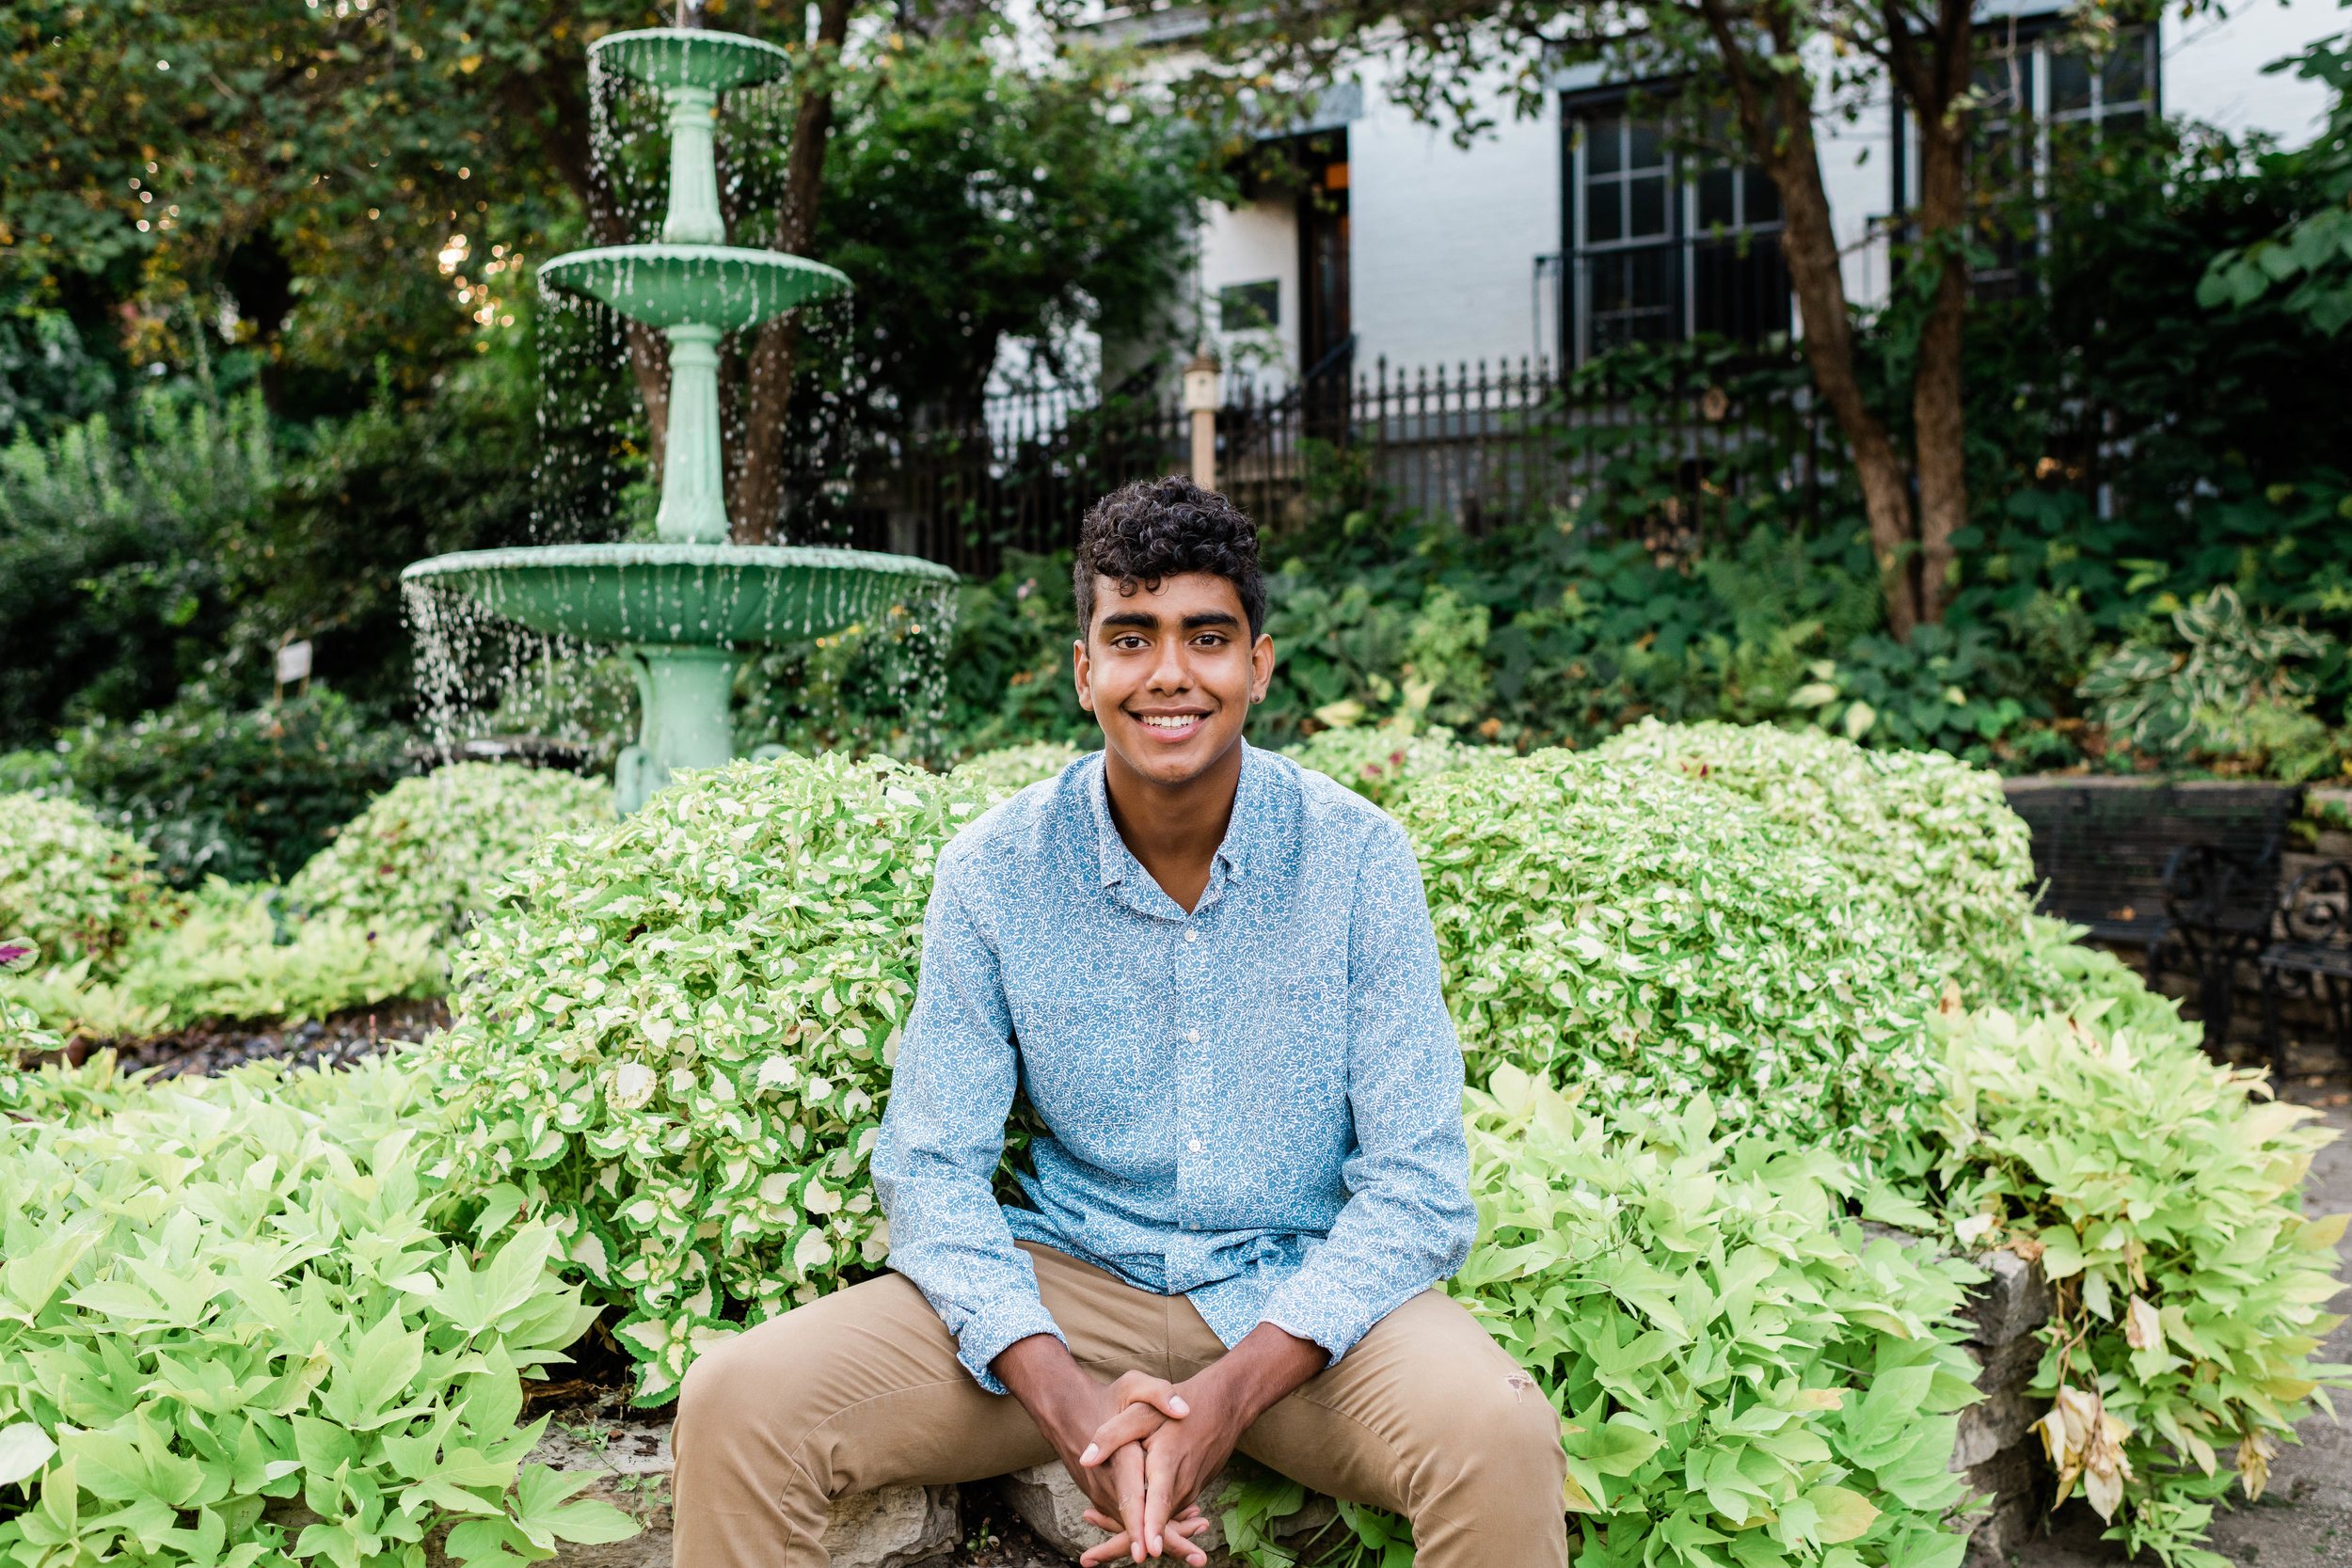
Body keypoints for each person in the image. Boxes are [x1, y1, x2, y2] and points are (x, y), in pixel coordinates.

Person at [672, 476, 1568, 1567]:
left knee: (1500, 1432)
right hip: (1065, 1277)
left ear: (1259, 665)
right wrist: (1063, 1396)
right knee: (735, 1400)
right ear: (1087, 668)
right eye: (1132, 637)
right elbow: (931, 1167)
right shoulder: (996, 868)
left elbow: (1418, 1183)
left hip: (1290, 1292)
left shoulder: (1357, 860)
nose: (1171, 673)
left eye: (1207, 636)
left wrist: (1231, 1395)